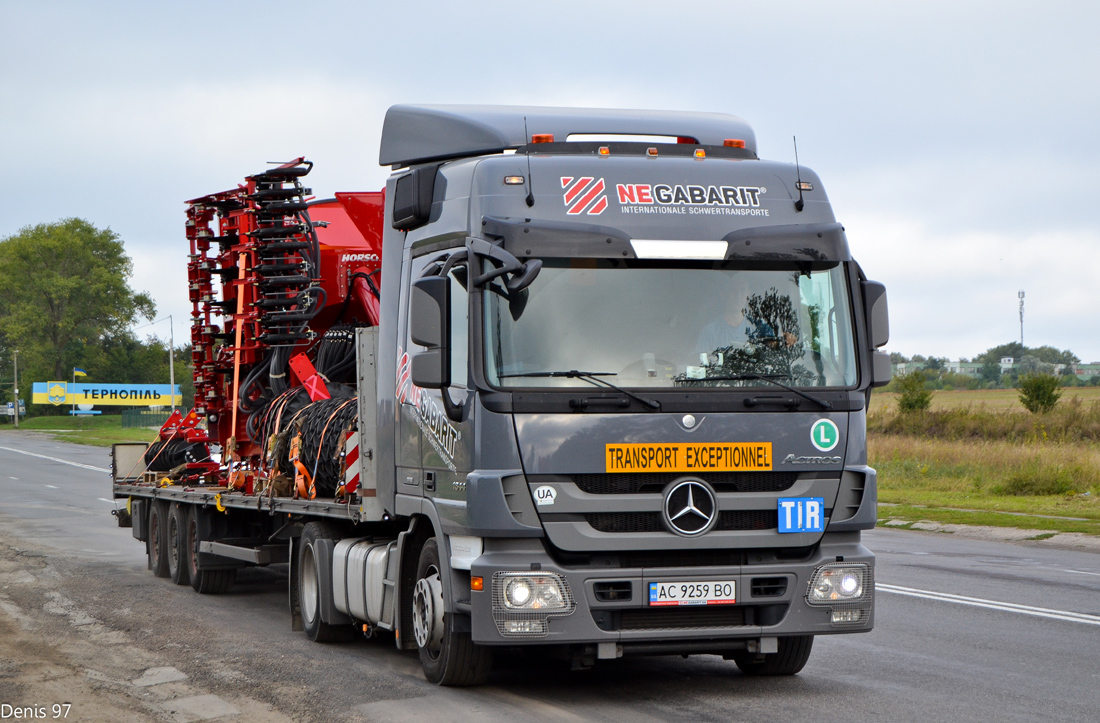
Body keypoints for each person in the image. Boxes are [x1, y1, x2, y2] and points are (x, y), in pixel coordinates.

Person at [696, 278, 796, 359]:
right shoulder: (709, 332)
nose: (738, 295)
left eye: (742, 290)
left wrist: (787, 341)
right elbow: (697, 365)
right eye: (733, 290)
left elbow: (776, 348)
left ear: (748, 293)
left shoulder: (760, 329)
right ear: (723, 294)